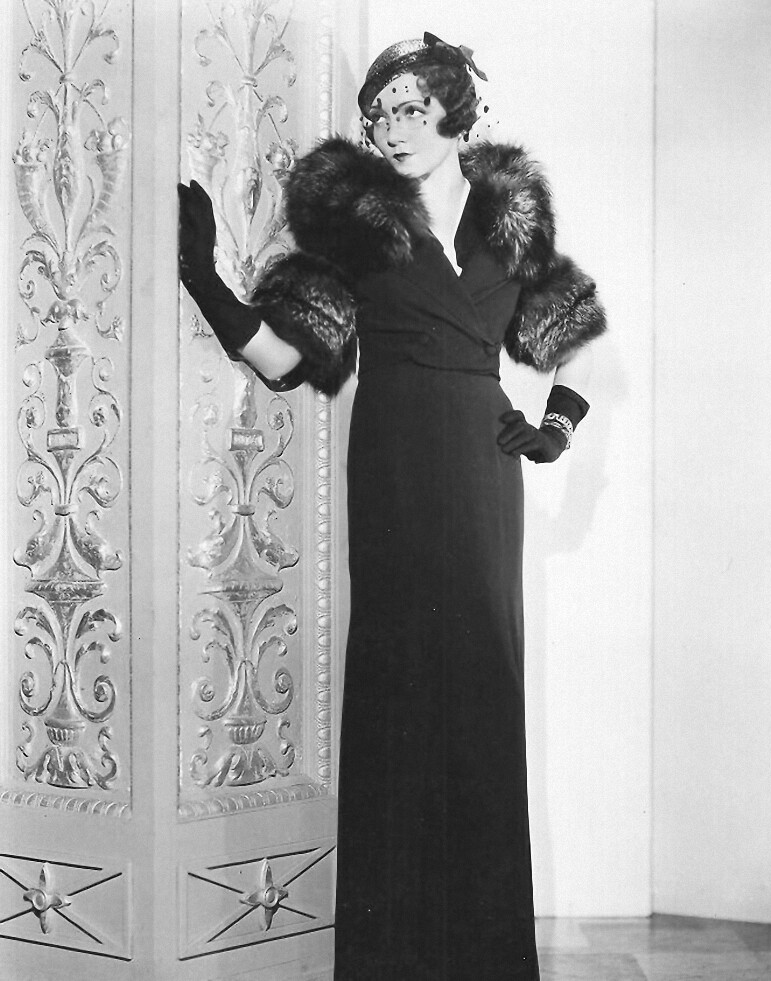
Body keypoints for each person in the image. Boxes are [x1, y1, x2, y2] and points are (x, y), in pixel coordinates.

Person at [179, 32, 605, 981]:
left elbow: (573, 337)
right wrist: (202, 276)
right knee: (397, 689)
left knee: (483, 687)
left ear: (458, 112)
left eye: (413, 107)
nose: (394, 127)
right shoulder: (358, 228)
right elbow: (285, 360)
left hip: (483, 467)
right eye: (381, 114)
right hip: (397, 463)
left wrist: (557, 427)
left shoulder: (509, 219)